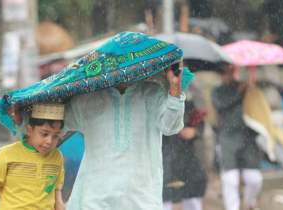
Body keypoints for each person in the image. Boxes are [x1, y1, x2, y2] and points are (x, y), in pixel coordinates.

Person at [10, 62, 187, 210]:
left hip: (141, 200)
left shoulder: (152, 94)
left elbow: (171, 127)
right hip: (95, 201)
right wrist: (21, 119)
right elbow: (52, 124)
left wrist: (175, 86)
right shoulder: (89, 98)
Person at [0, 102, 66, 210]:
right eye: (44, 134)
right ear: (29, 130)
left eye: (55, 136)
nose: (49, 141)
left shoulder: (56, 156)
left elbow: (55, 189)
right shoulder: (7, 154)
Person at [211, 65, 262, 210]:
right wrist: (238, 94)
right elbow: (221, 105)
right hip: (227, 138)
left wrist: (250, 90)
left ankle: (249, 202)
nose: (226, 76)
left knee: (255, 178)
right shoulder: (217, 91)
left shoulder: (246, 88)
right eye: (223, 74)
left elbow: (257, 109)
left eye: (228, 73)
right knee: (230, 179)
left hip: (247, 139)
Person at [162, 82, 207, 210]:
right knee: (164, 195)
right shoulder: (159, 101)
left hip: (187, 155)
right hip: (166, 154)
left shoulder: (189, 104)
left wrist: (195, 131)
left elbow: (199, 123)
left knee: (191, 194)